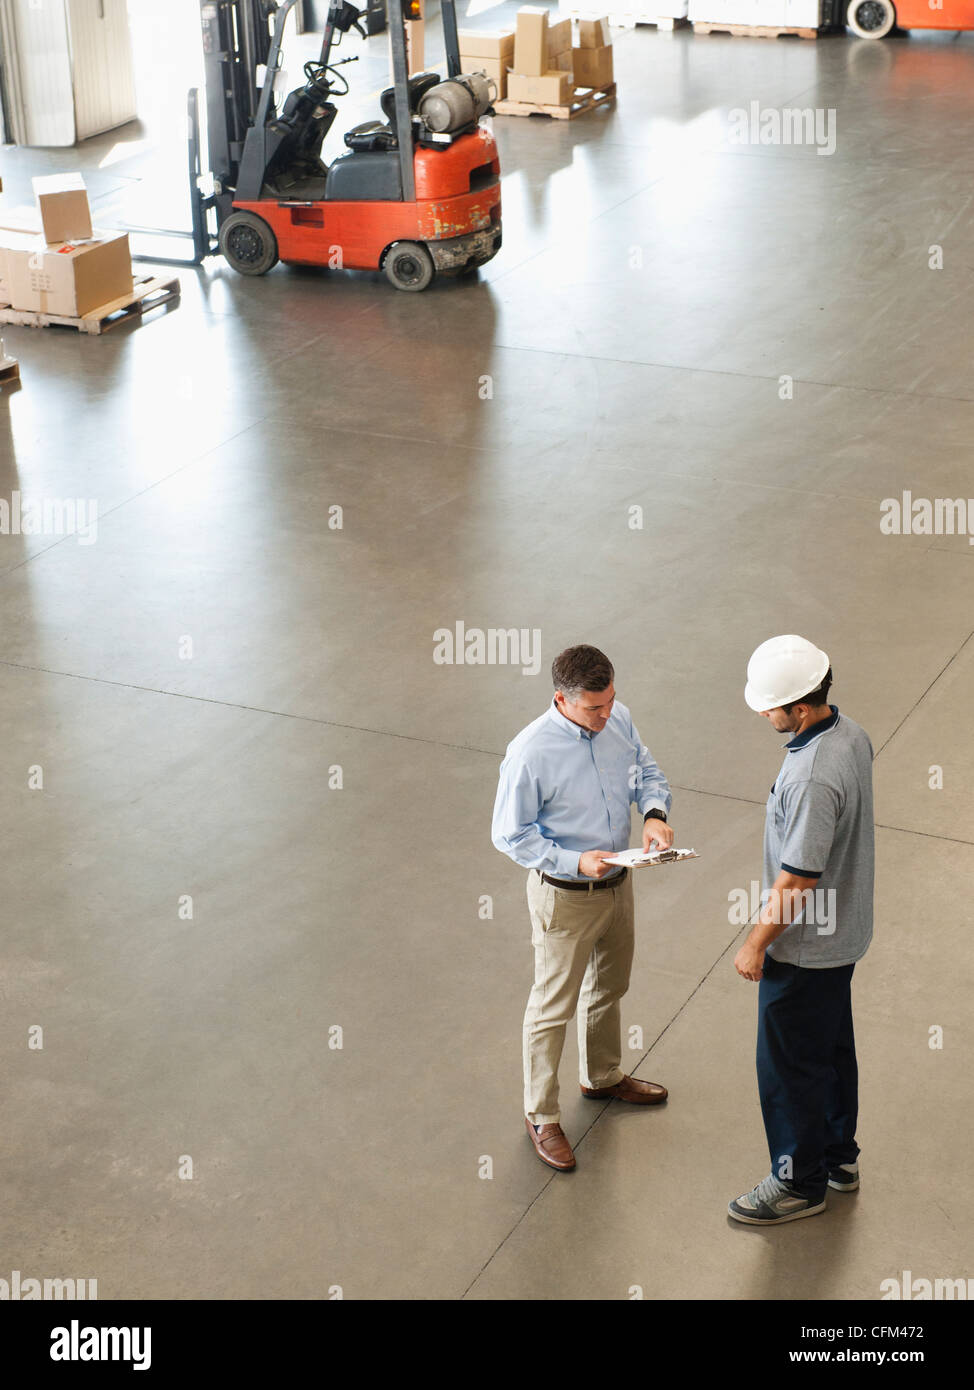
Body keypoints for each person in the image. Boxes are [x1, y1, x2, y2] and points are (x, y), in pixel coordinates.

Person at [491, 645, 674, 1172]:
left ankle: (602, 1076)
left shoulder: (618, 718)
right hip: (565, 897)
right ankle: (541, 1115)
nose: (606, 715)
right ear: (561, 700)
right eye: (594, 708)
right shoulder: (530, 752)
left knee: (610, 986)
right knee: (552, 1007)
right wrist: (575, 861)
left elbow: (644, 769)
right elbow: (510, 835)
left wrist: (655, 814)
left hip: (620, 883)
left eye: (611, 701)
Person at [729, 635, 874, 1225]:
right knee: (831, 1050)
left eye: (772, 706)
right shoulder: (851, 733)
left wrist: (755, 942)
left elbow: (796, 881)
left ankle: (797, 1181)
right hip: (843, 936)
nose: (765, 713)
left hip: (805, 948)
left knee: (788, 1068)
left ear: (802, 707)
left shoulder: (810, 778)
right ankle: (839, 1159)